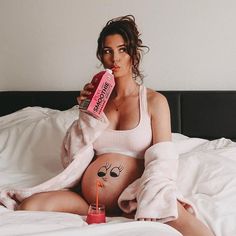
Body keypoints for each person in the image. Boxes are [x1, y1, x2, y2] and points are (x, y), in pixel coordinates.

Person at [17, 15, 213, 236]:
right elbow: (73, 155)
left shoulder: (154, 102)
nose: (115, 58)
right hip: (88, 201)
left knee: (196, 231)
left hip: (135, 198)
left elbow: (163, 160)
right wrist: (87, 112)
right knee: (29, 206)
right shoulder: (97, 102)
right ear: (101, 55)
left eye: (122, 50)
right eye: (108, 51)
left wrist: (151, 199)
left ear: (133, 54)